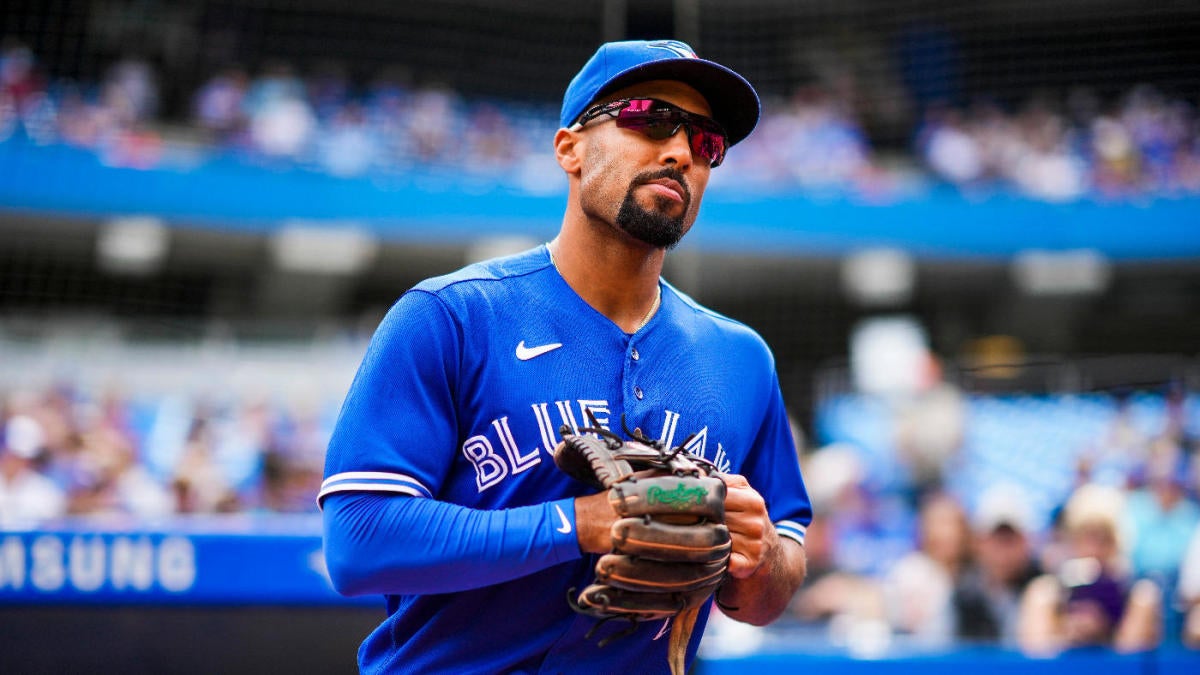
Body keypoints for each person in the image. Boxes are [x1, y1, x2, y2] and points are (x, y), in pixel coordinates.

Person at [319, 39, 811, 673]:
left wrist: (762, 555)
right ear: (569, 148)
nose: (680, 151)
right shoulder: (452, 317)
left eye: (706, 142)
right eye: (650, 119)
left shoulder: (743, 359)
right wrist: (582, 523)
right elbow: (357, 543)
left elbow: (772, 586)